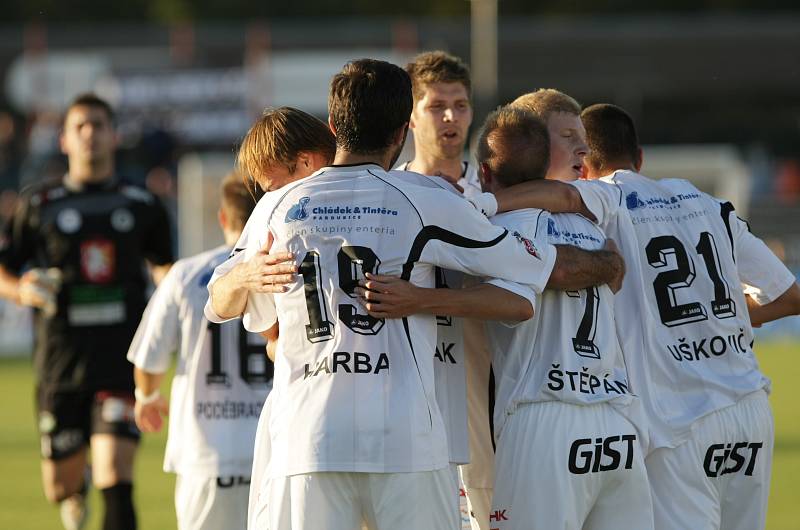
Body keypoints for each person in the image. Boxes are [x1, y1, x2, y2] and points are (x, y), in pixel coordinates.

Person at [206, 58, 624, 530]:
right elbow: (534, 268)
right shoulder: (424, 198)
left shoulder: (278, 205)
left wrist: (242, 276)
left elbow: (220, 304)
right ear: (401, 131)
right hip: (405, 437)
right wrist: (599, 253)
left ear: (332, 126)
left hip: (307, 441)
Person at [0, 93, 174, 530]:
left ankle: (101, 474)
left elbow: (165, 268)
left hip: (122, 359)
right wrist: (21, 288)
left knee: (117, 476)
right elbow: (5, 269)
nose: (90, 134)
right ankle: (75, 490)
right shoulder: (39, 204)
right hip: (61, 363)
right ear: (63, 140)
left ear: (113, 135)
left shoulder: (140, 203)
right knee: (59, 484)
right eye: (80, 126)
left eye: (98, 124)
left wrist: (176, 294)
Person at [126, 171, 272, 530]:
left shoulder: (185, 275)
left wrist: (146, 396)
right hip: (276, 454)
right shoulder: (288, 270)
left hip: (207, 460)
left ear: (223, 217)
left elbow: (149, 357)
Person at [510, 88, 588, 182]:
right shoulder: (492, 196)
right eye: (567, 135)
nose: (585, 150)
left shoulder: (595, 192)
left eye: (584, 138)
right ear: (527, 144)